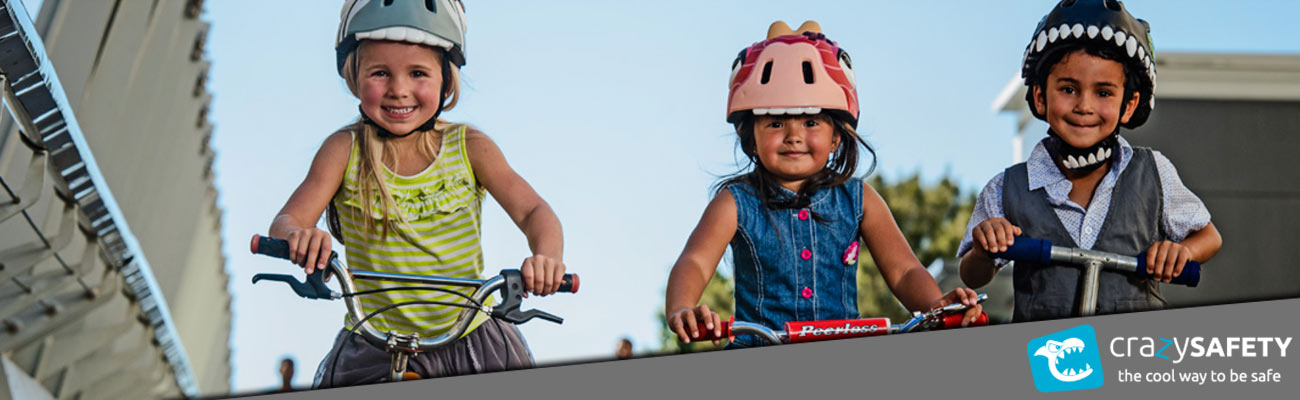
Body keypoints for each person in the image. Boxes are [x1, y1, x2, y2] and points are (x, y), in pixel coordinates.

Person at [268, 0, 565, 387]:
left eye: (418, 73)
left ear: (445, 78)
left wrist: (546, 258)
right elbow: (285, 222)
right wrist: (299, 236)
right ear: (354, 75)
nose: (399, 90)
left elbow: (533, 211)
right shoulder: (343, 151)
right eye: (380, 73)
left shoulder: (469, 146)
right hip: (374, 343)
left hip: (469, 339)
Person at [665, 21, 983, 349]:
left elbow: (904, 271)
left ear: (835, 136)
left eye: (811, 121)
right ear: (750, 137)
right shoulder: (734, 203)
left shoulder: (860, 199)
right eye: (775, 122)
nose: (794, 135)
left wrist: (935, 306)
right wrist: (682, 307)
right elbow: (696, 261)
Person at [958, 0, 1221, 322]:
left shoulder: (1153, 173)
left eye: (1104, 93)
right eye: (1068, 88)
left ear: (1129, 104)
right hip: (1049, 357)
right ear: (1041, 96)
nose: (1085, 106)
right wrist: (985, 247)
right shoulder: (1006, 188)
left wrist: (1182, 252)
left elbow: (1209, 237)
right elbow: (972, 275)